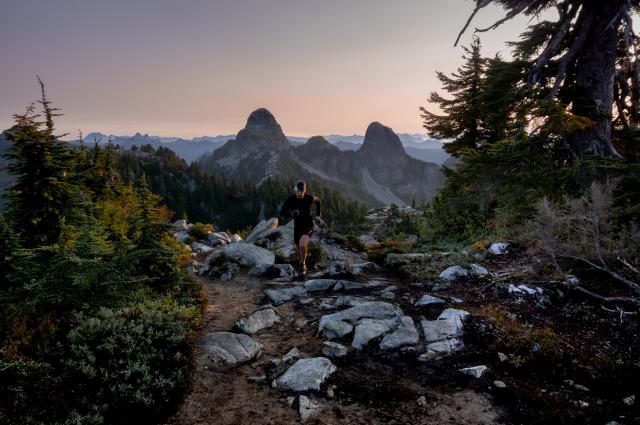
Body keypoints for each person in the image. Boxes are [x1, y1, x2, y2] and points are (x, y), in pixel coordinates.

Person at [279, 180, 322, 275]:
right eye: (298, 191)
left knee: (302, 244)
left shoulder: (309, 198)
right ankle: (301, 268)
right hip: (297, 227)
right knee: (298, 249)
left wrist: (318, 215)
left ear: (304, 191)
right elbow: (282, 213)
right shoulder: (291, 199)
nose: (299, 193)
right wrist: (291, 214)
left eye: (301, 191)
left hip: (308, 226)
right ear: (295, 190)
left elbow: (318, 201)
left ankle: (303, 264)